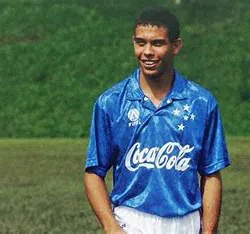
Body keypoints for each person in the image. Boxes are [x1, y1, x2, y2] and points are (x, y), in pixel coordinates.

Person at [84, 6, 231, 234]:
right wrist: (111, 227)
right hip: (132, 221)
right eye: (140, 43)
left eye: (157, 43)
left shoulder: (201, 103)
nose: (147, 52)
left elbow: (211, 173)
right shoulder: (111, 103)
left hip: (186, 223)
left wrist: (209, 231)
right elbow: (94, 172)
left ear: (176, 46)